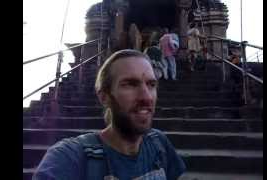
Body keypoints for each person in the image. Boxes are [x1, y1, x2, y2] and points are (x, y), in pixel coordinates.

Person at [33, 49, 186, 180]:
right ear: (104, 96)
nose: (146, 97)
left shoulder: (159, 143)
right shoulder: (69, 157)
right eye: (130, 84)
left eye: (151, 84)